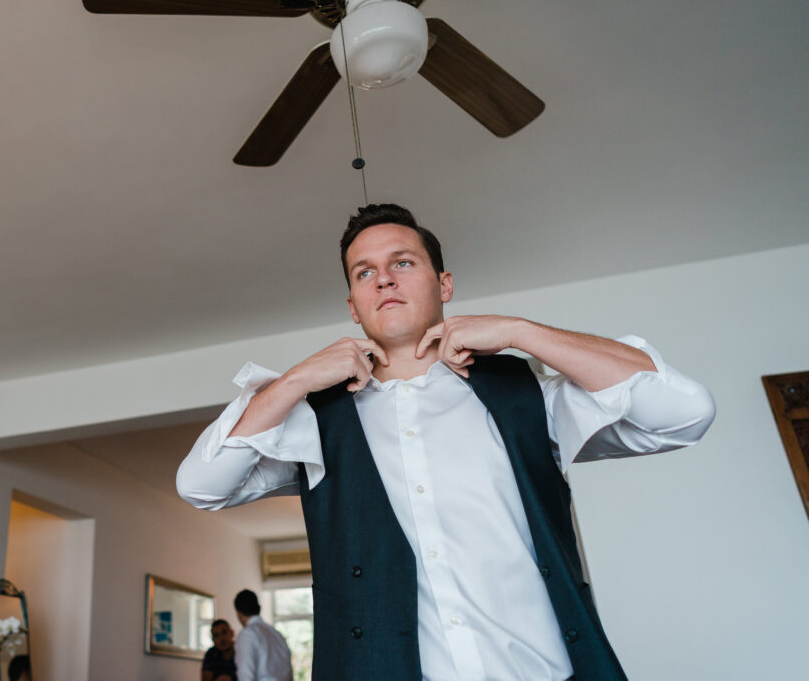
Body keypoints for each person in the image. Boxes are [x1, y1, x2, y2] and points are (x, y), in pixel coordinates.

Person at [176, 204, 715, 681]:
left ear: (444, 284)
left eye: (402, 263)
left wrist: (521, 331)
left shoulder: (528, 398)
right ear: (354, 306)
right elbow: (201, 485)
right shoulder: (315, 424)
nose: (384, 280)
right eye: (365, 272)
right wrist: (294, 381)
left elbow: (685, 414)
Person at [232, 589, 293, 681]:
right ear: (259, 608)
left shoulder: (247, 634)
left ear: (238, 613)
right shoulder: (276, 634)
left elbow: (246, 676)